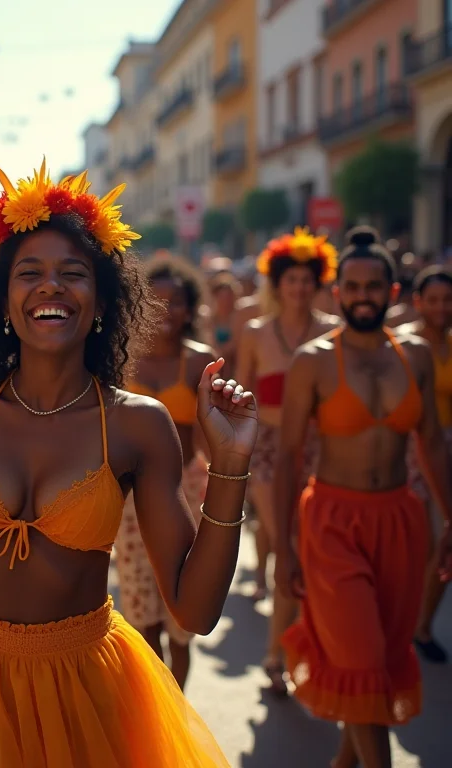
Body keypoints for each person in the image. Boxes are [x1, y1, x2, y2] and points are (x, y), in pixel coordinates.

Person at [0, 162, 257, 767]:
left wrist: (230, 466)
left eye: (73, 273)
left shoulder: (138, 423)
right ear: (3, 300)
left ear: (102, 300)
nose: (50, 286)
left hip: (92, 694)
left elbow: (196, 610)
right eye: (29, 273)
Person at [275, 227, 452, 768]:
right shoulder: (312, 361)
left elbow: (432, 442)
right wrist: (284, 547)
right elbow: (288, 456)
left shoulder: (415, 356)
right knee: (360, 656)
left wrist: (451, 520)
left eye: (373, 286)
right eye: (352, 287)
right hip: (332, 523)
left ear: (392, 292)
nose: (362, 296)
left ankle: (343, 763)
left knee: (382, 657)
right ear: (337, 294)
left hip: (399, 521)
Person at [235, 228, 340, 695]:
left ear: (317, 283)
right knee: (287, 546)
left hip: (320, 448)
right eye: (290, 279)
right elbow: (241, 398)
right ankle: (280, 654)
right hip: (269, 451)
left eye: (306, 279)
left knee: (313, 552)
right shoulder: (256, 333)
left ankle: (290, 651)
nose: (298, 287)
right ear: (277, 284)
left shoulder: (332, 331)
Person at [116, 256, 215, 689]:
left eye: (176, 301)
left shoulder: (200, 362)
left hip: (186, 492)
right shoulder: (120, 358)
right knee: (143, 619)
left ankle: (176, 710)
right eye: (156, 300)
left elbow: (217, 437)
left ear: (191, 309)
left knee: (182, 621)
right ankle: (157, 710)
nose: (167, 310)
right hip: (130, 501)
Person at [399, 266, 452, 663]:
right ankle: (403, 623)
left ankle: (423, 627)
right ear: (417, 302)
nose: (441, 307)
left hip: (447, 447)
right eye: (432, 299)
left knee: (446, 541)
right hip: (413, 450)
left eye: (448, 300)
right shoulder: (404, 346)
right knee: (421, 542)